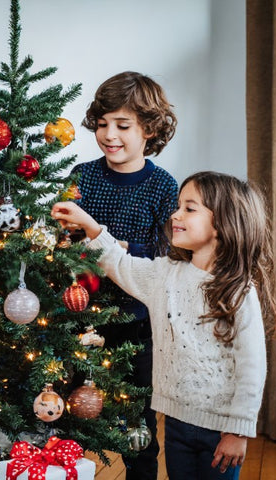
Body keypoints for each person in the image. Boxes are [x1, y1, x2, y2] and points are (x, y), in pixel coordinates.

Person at [51, 171, 276, 480]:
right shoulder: (166, 275)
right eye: (178, 205)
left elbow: (252, 366)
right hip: (174, 423)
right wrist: (90, 226)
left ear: (223, 222)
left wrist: (238, 430)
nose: (176, 214)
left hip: (220, 430)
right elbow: (120, 263)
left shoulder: (238, 290)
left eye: (190, 207)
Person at [71, 71, 178, 479]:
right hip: (78, 319)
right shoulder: (83, 177)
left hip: (137, 325)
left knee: (139, 427)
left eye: (122, 125)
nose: (109, 134)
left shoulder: (163, 188)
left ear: (149, 129)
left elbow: (169, 257)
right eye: (102, 125)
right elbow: (63, 240)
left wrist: (124, 249)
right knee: (71, 414)